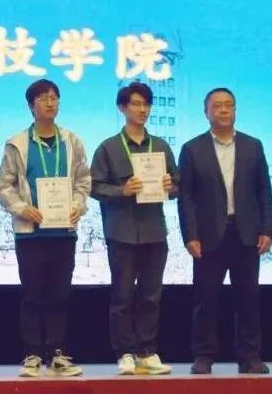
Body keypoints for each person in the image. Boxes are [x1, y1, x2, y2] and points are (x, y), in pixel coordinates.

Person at [0, 79, 90, 378]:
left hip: (64, 231)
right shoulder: (17, 143)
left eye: (54, 98)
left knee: (60, 295)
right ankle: (33, 354)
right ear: (31, 106)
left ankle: (58, 354)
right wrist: (23, 208)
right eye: (43, 98)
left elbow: (83, 181)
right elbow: (4, 186)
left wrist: (77, 206)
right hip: (30, 234)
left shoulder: (72, 141)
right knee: (33, 295)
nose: (50, 103)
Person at [178, 88, 272, 375]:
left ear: (235, 110)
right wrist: (190, 235)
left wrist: (267, 229)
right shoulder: (192, 149)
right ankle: (203, 356)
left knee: (248, 299)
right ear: (206, 112)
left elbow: (264, 191)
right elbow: (186, 198)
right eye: (217, 106)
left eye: (229, 105)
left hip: (246, 233)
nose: (223, 110)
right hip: (208, 236)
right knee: (206, 299)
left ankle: (249, 357)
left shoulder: (253, 146)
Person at [90, 81, 177, 376]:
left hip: (154, 232)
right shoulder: (108, 147)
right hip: (122, 232)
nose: (142, 110)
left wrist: (170, 186)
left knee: (151, 296)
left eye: (146, 104)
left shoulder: (160, 146)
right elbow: (94, 186)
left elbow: (178, 184)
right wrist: (122, 190)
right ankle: (124, 353)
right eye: (136, 104)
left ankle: (147, 351)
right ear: (122, 108)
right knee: (123, 296)